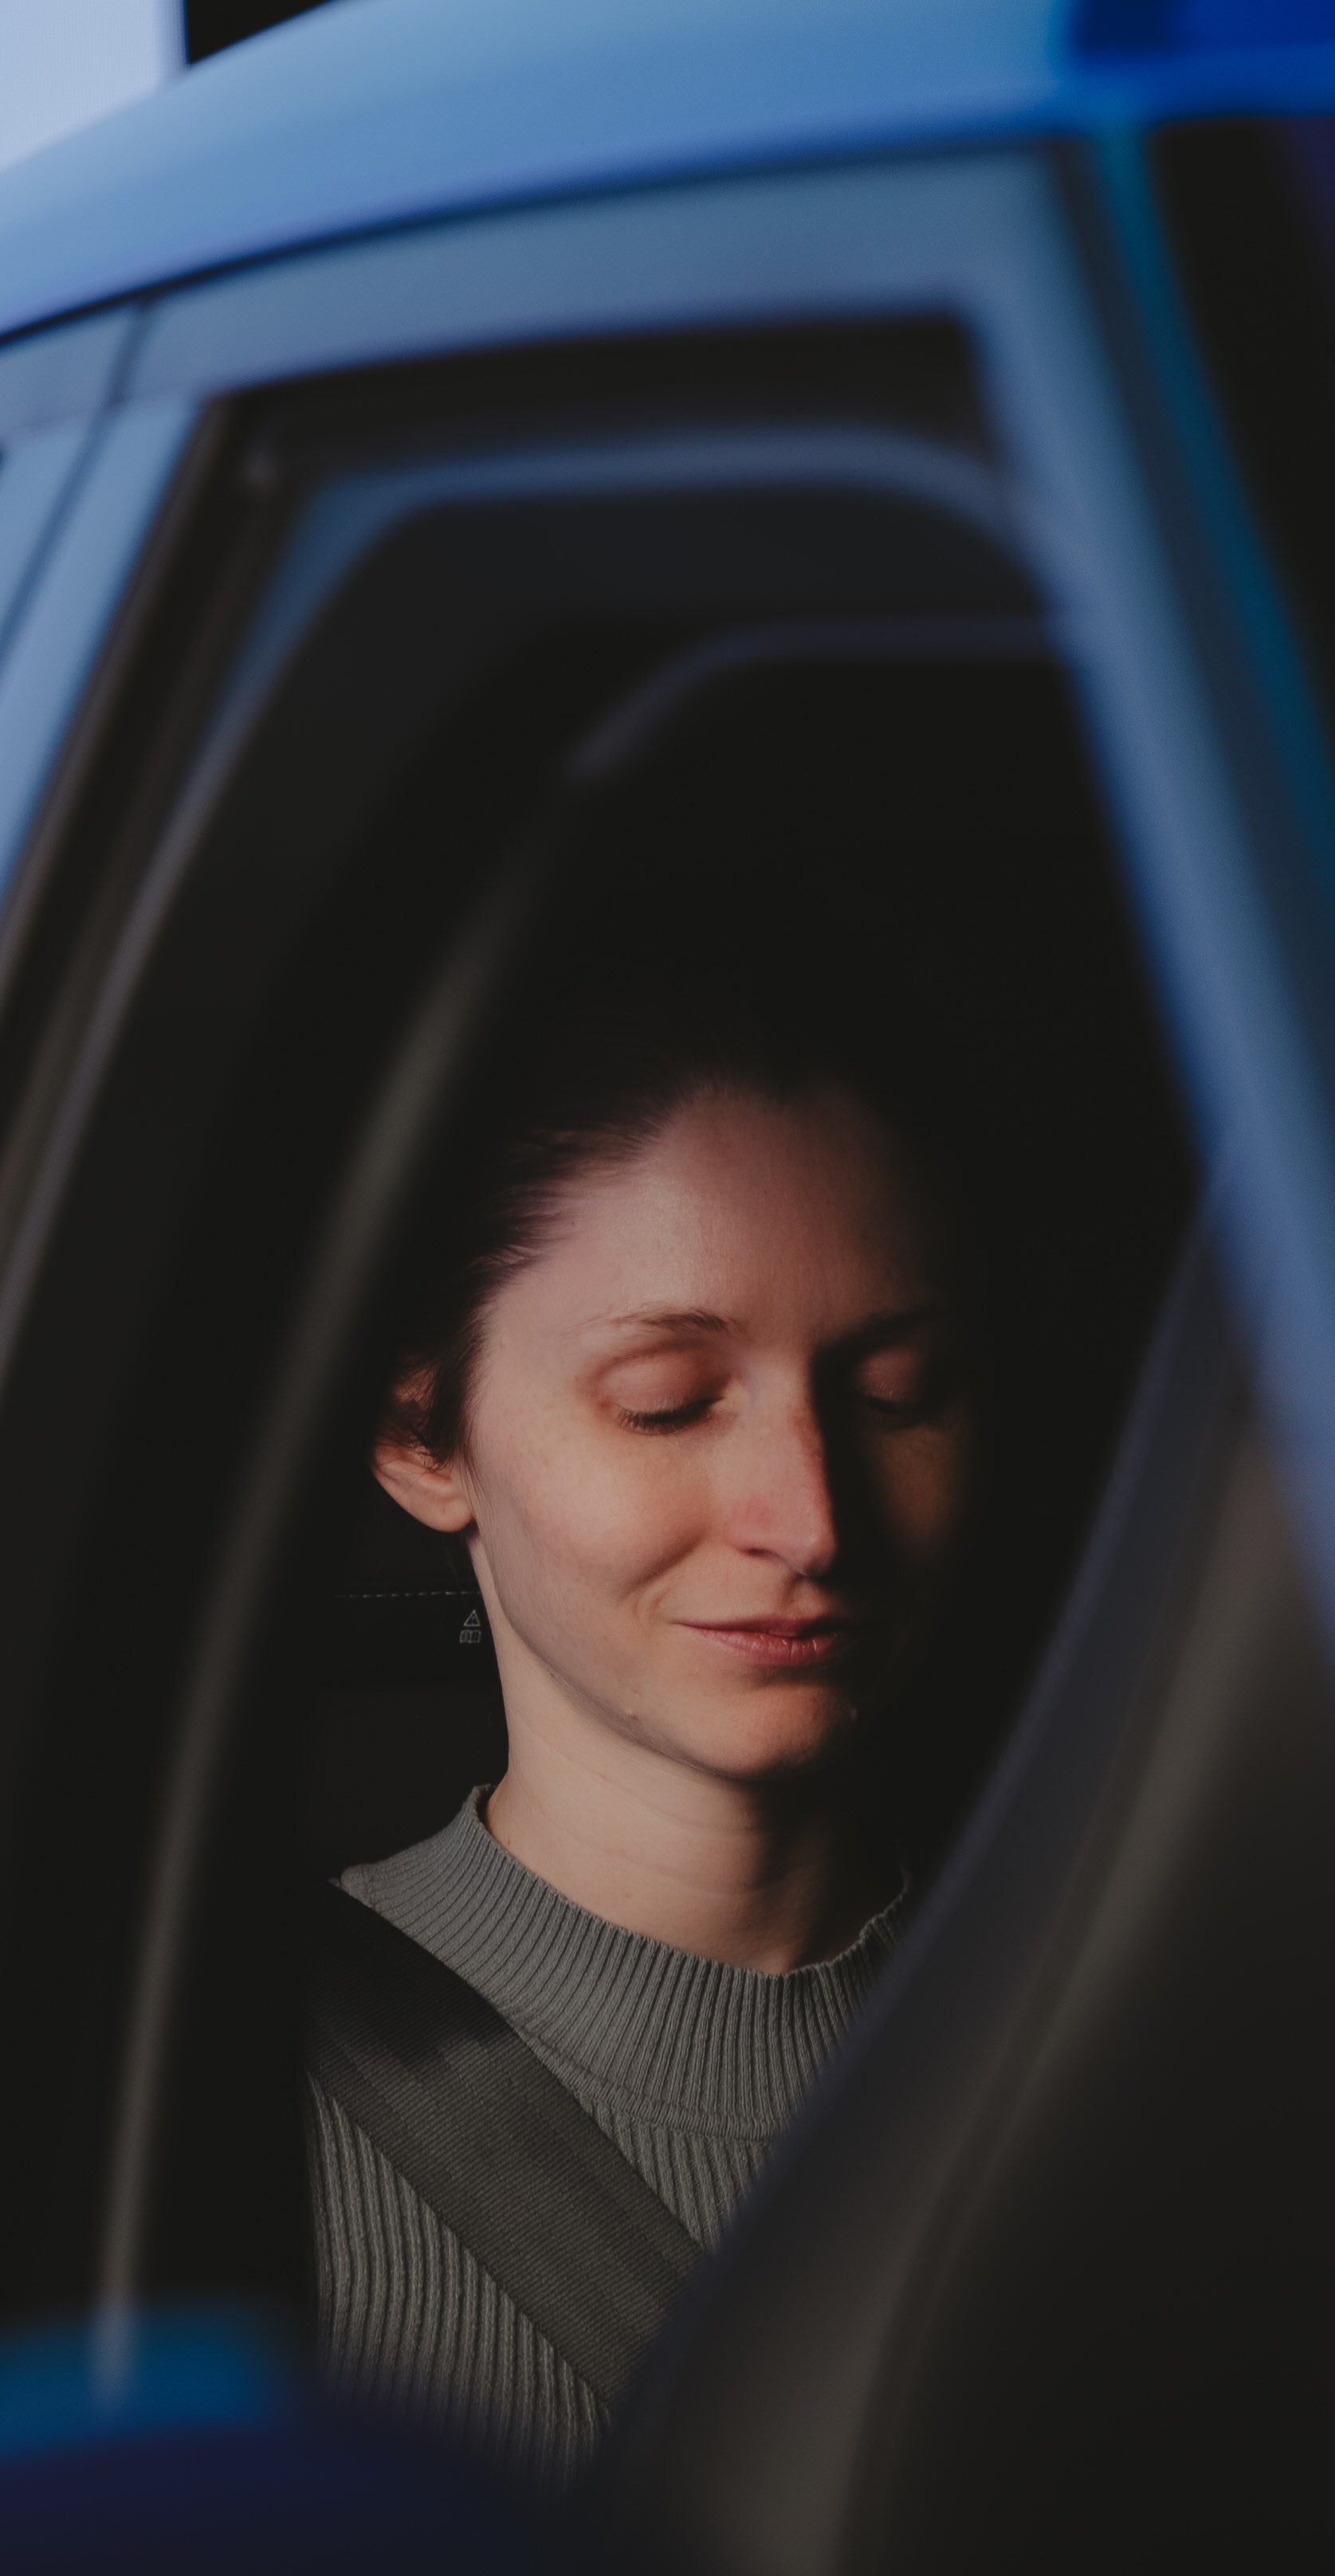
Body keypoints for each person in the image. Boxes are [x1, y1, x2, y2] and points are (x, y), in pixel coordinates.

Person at [307, 943, 976, 2472]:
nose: (812, 1519)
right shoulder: (222, 2123)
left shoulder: (1128, 2031)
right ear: (423, 1436)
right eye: (668, 1401)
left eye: (897, 1394)